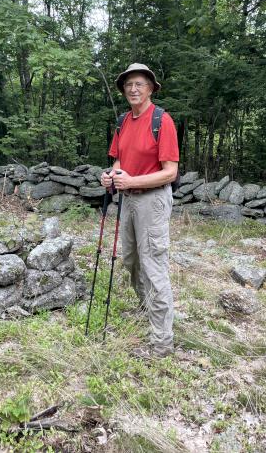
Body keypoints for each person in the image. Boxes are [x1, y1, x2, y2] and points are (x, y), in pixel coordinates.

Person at [101, 63, 179, 359]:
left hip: (153, 200)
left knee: (152, 265)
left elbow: (170, 172)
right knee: (131, 260)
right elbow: (119, 161)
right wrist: (111, 176)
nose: (133, 89)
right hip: (129, 200)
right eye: (128, 85)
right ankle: (148, 309)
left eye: (139, 84)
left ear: (150, 88)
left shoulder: (162, 120)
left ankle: (162, 342)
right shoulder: (124, 121)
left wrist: (132, 181)